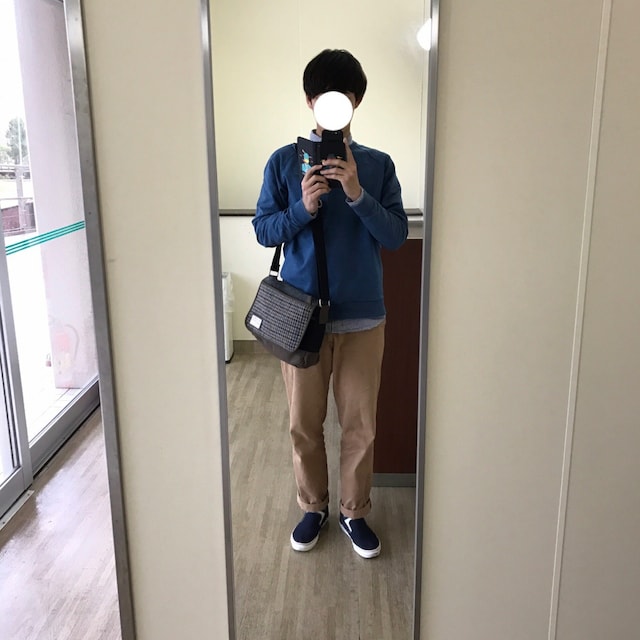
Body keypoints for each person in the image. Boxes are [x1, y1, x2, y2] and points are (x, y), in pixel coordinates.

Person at [252, 49, 407, 559]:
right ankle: (313, 506)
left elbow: (395, 236)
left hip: (363, 317)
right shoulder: (282, 162)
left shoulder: (377, 165)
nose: (333, 106)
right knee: (303, 423)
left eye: (343, 97)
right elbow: (263, 231)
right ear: (310, 101)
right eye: (323, 97)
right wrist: (303, 207)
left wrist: (357, 193)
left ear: (355, 102)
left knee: (360, 424)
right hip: (302, 317)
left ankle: (354, 511)